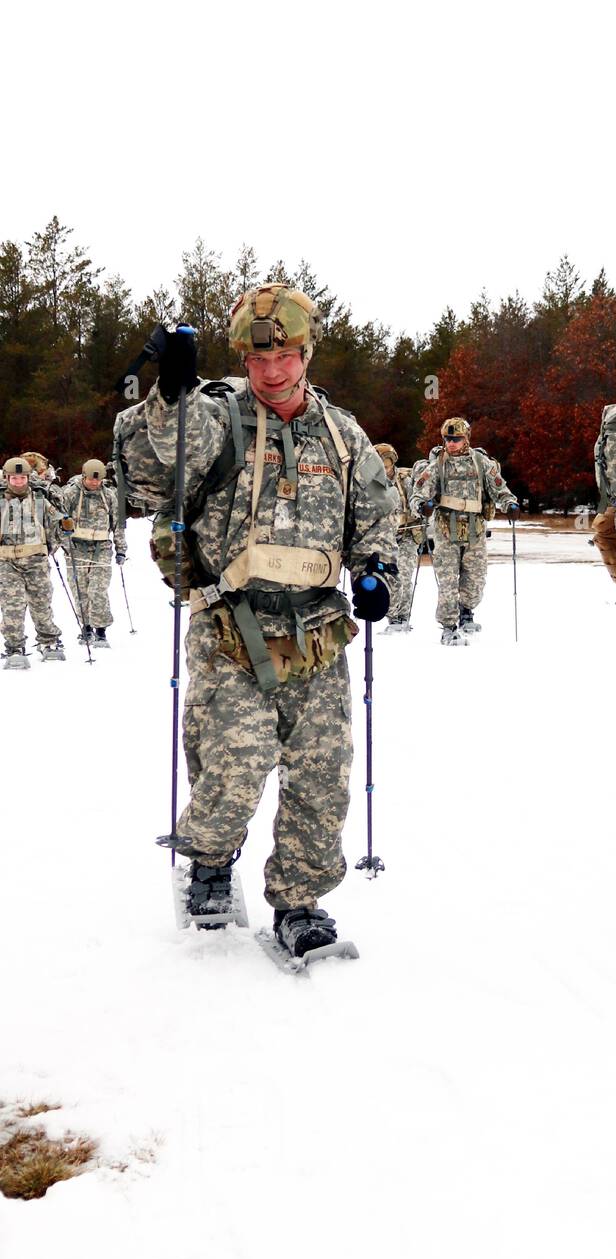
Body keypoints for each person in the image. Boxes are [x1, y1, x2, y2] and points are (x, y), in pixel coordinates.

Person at [116, 285, 397, 958]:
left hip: (318, 631)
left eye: (286, 355)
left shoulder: (341, 432)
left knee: (323, 775)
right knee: (235, 768)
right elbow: (151, 472)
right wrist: (170, 393)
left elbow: (379, 520)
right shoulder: (220, 419)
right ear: (244, 357)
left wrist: (377, 572)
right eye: (258, 357)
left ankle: (300, 902)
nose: (273, 371)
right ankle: (210, 861)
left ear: (306, 353)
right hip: (231, 630)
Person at [411, 417, 518, 645]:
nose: (451, 443)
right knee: (448, 582)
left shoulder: (481, 463)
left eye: (456, 439)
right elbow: (419, 492)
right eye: (448, 439)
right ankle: (449, 626)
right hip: (446, 531)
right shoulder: (437, 465)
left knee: (475, 581)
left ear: (466, 439)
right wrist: (422, 505)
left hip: (475, 531)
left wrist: (510, 504)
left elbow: (500, 488)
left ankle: (467, 610)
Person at [0, 457, 65, 669]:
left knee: (41, 602)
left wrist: (61, 533)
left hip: (36, 560)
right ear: (7, 478)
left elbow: (57, 522)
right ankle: (14, 647)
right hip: (7, 562)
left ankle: (49, 641)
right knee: (13, 605)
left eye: (22, 478)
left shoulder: (40, 499)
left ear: (28, 477)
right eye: (14, 478)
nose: (18, 482)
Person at [58, 460, 127, 648]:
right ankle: (86, 627)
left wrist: (121, 549)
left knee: (98, 589)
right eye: (91, 480)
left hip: (102, 547)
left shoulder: (109, 496)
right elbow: (59, 519)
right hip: (77, 546)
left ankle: (101, 629)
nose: (94, 483)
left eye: (98, 480)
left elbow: (118, 525)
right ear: (83, 476)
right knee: (80, 590)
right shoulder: (71, 493)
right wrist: (65, 545)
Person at [375, 443, 421, 633]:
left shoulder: (405, 480)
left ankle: (401, 617)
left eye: (386, 466)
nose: (384, 470)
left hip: (407, 534)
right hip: (384, 538)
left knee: (404, 574)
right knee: (387, 577)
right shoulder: (370, 482)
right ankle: (392, 614)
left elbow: (417, 498)